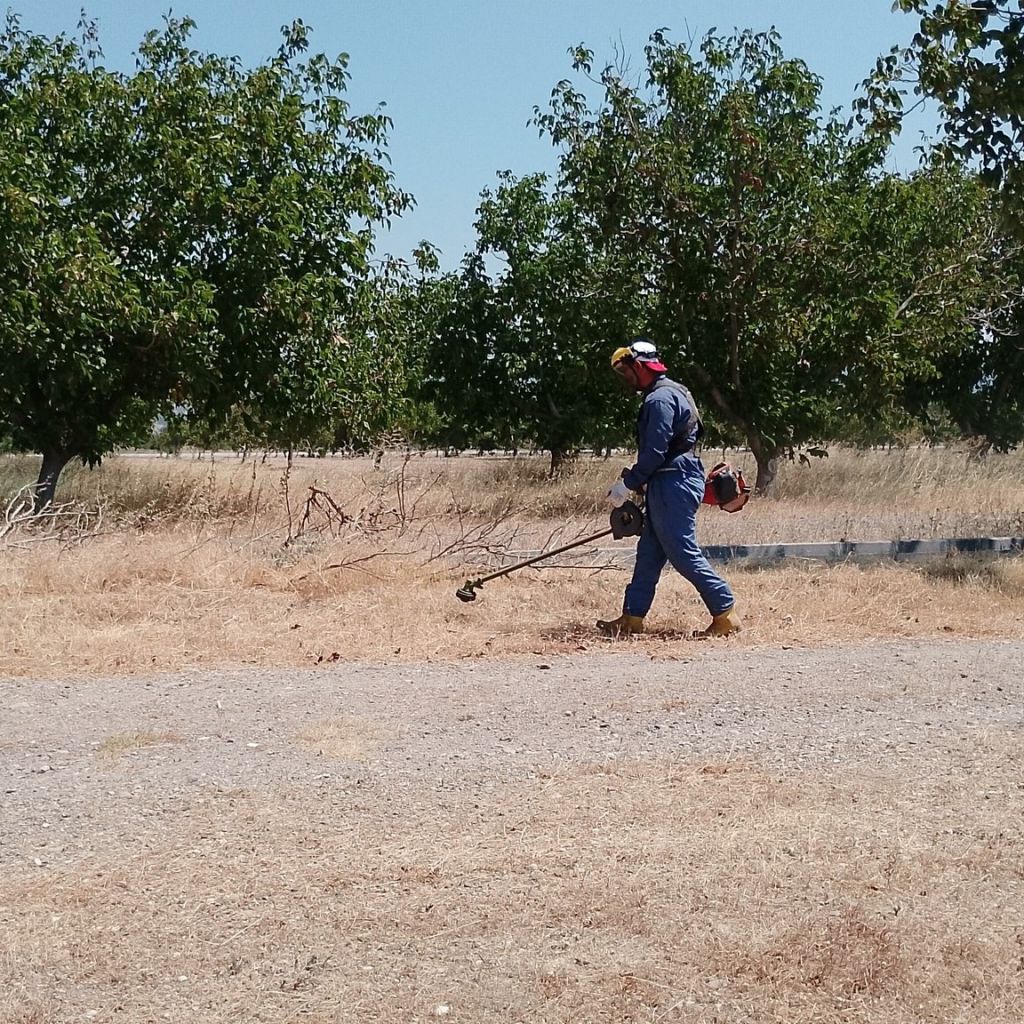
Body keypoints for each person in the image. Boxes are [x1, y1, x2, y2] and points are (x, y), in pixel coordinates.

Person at [597, 338, 741, 638]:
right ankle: (632, 618)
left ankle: (725, 612)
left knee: (682, 552)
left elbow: (654, 452)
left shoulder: (658, 400)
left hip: (672, 481)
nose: (625, 380)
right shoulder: (677, 391)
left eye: (625, 372)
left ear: (638, 366)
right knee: (649, 553)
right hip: (671, 479)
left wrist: (628, 484)